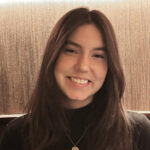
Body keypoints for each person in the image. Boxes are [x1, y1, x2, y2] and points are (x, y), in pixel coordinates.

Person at [0, 7, 150, 150]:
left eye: (97, 55)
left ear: (110, 66)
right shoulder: (17, 134)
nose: (83, 66)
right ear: (53, 56)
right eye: (71, 51)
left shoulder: (139, 132)